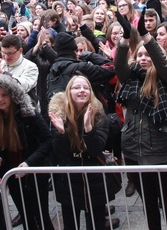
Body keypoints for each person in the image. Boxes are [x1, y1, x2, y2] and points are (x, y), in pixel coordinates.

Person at [114, 10, 167, 230]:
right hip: (133, 148)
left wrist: (146, 37)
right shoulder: (130, 77)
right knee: (149, 202)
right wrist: (125, 38)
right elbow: (119, 66)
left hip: (160, 149)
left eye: (147, 55)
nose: (143, 58)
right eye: (139, 55)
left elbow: (162, 64)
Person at [0, 74, 54, 230]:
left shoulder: (28, 113)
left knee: (41, 216)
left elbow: (48, 140)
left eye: (4, 95)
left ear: (13, 95)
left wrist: (29, 163)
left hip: (34, 173)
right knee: (26, 216)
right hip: (12, 175)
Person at [48, 75, 111, 230]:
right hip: (68, 178)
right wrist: (61, 133)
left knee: (96, 223)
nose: (82, 91)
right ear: (69, 91)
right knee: (70, 222)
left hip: (94, 177)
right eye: (77, 87)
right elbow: (59, 152)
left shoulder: (98, 113)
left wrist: (89, 128)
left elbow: (97, 148)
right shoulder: (59, 114)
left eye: (86, 88)